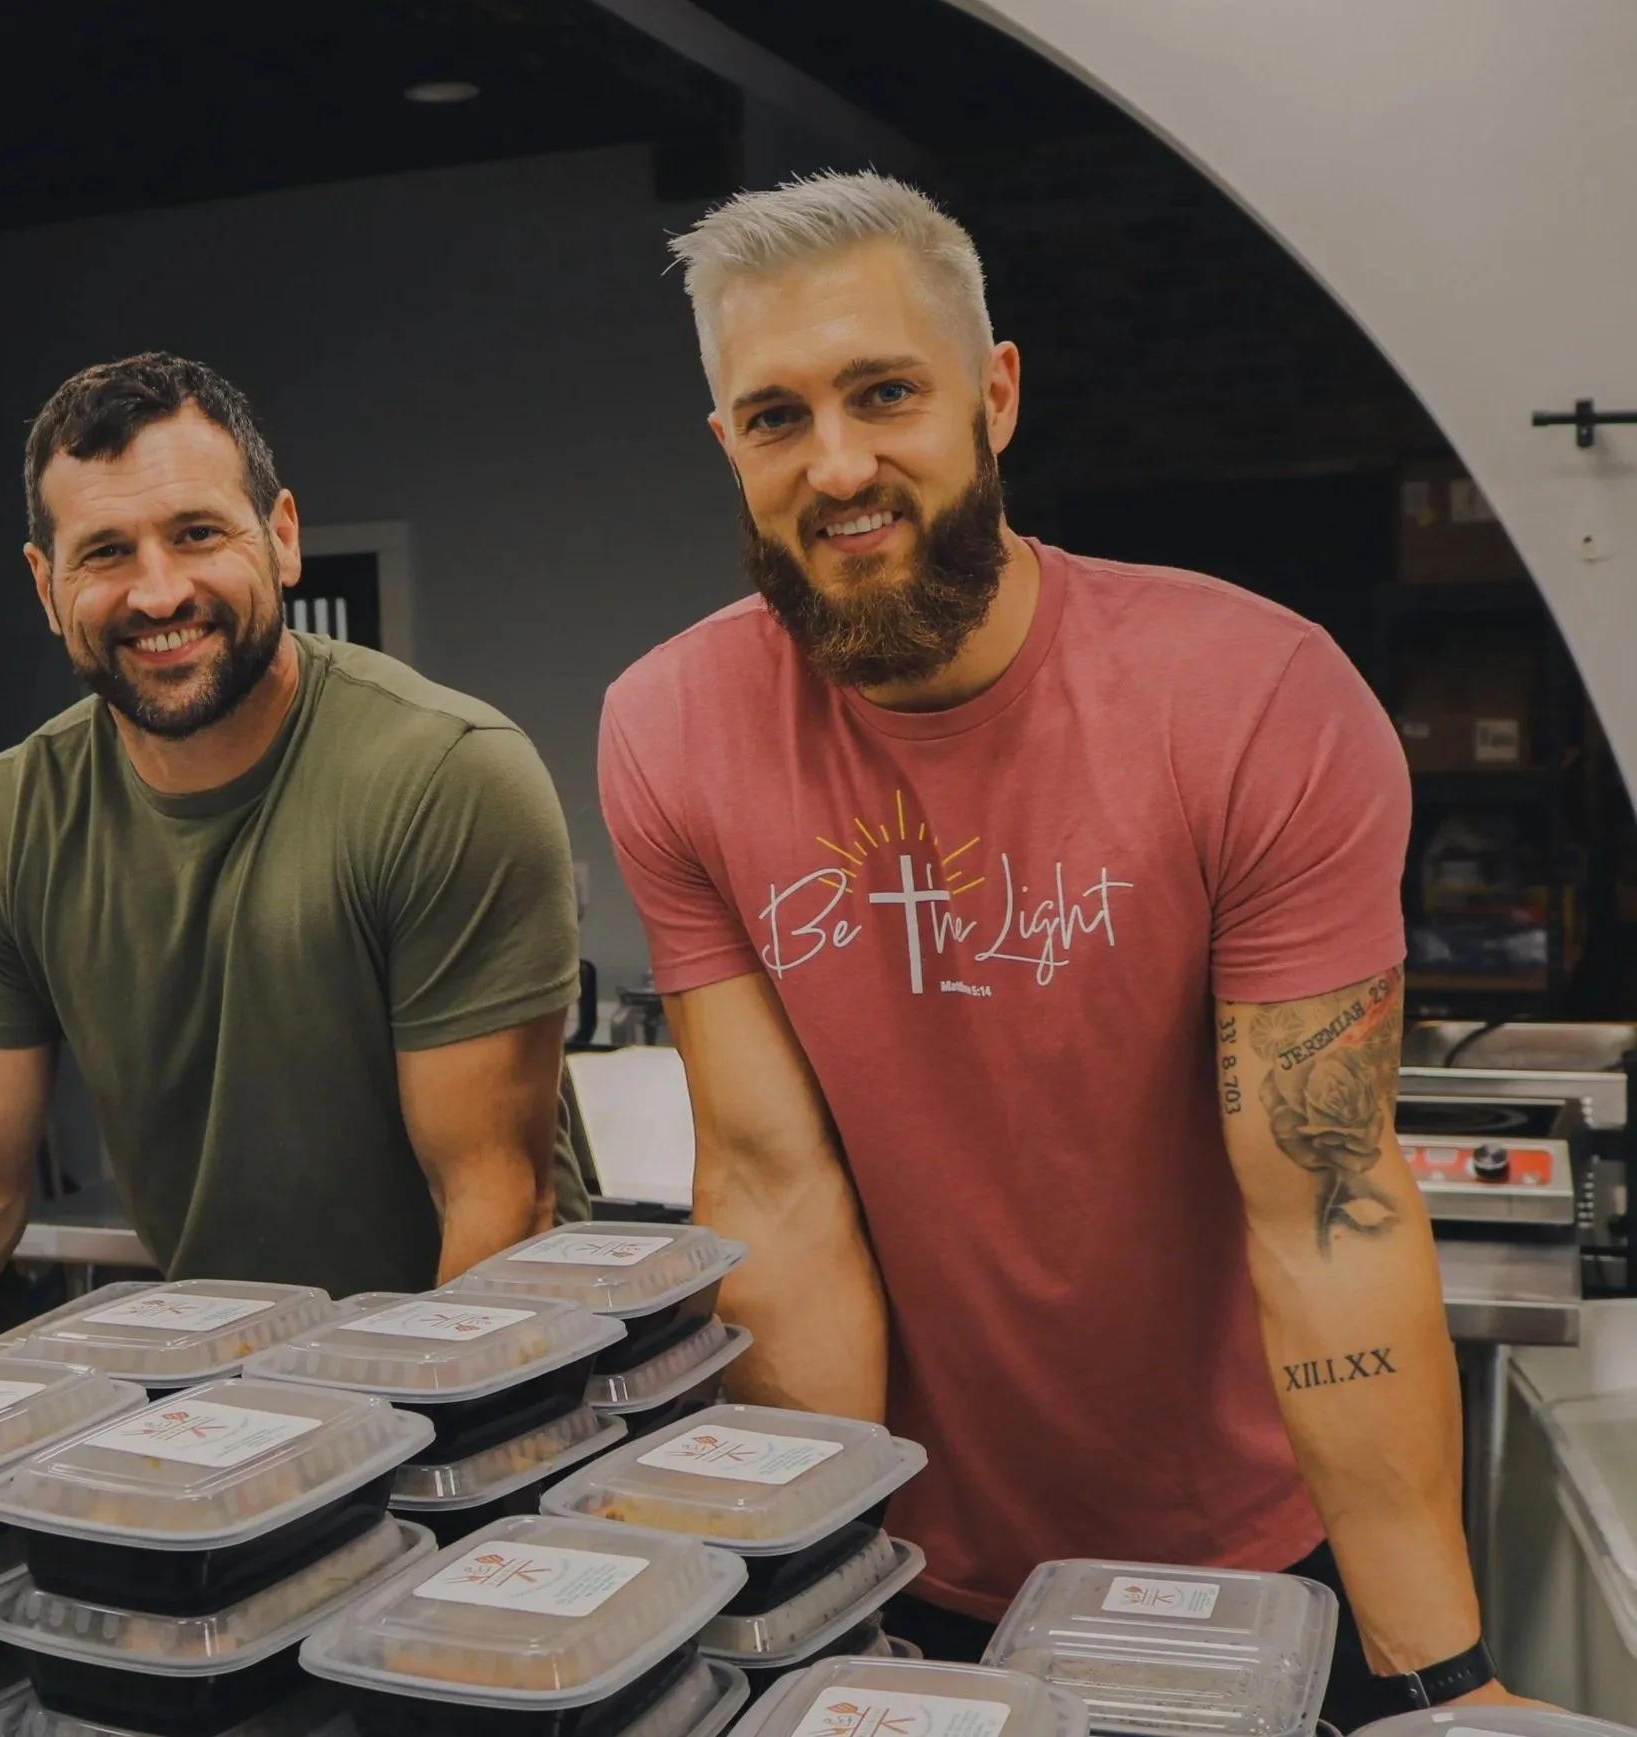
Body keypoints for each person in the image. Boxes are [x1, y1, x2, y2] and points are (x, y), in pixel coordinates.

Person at [599, 173, 1522, 1722]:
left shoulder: (1253, 703)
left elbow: (1327, 1210)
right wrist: (817, 1603)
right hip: (911, 1559)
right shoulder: (669, 731)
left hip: (1254, 1549)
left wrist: (1441, 1681)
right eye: (774, 418)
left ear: (994, 394)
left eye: (883, 391)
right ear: (725, 446)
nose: (837, 465)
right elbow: (773, 1190)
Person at [0, 352, 583, 1359]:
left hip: (489, 1384)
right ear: (46, 585)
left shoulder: (445, 776)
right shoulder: (6, 817)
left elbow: (494, 1204)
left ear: (283, 537)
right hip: (228, 1391)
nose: (158, 592)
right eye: (106, 552)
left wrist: (408, 1456)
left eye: (197, 533)